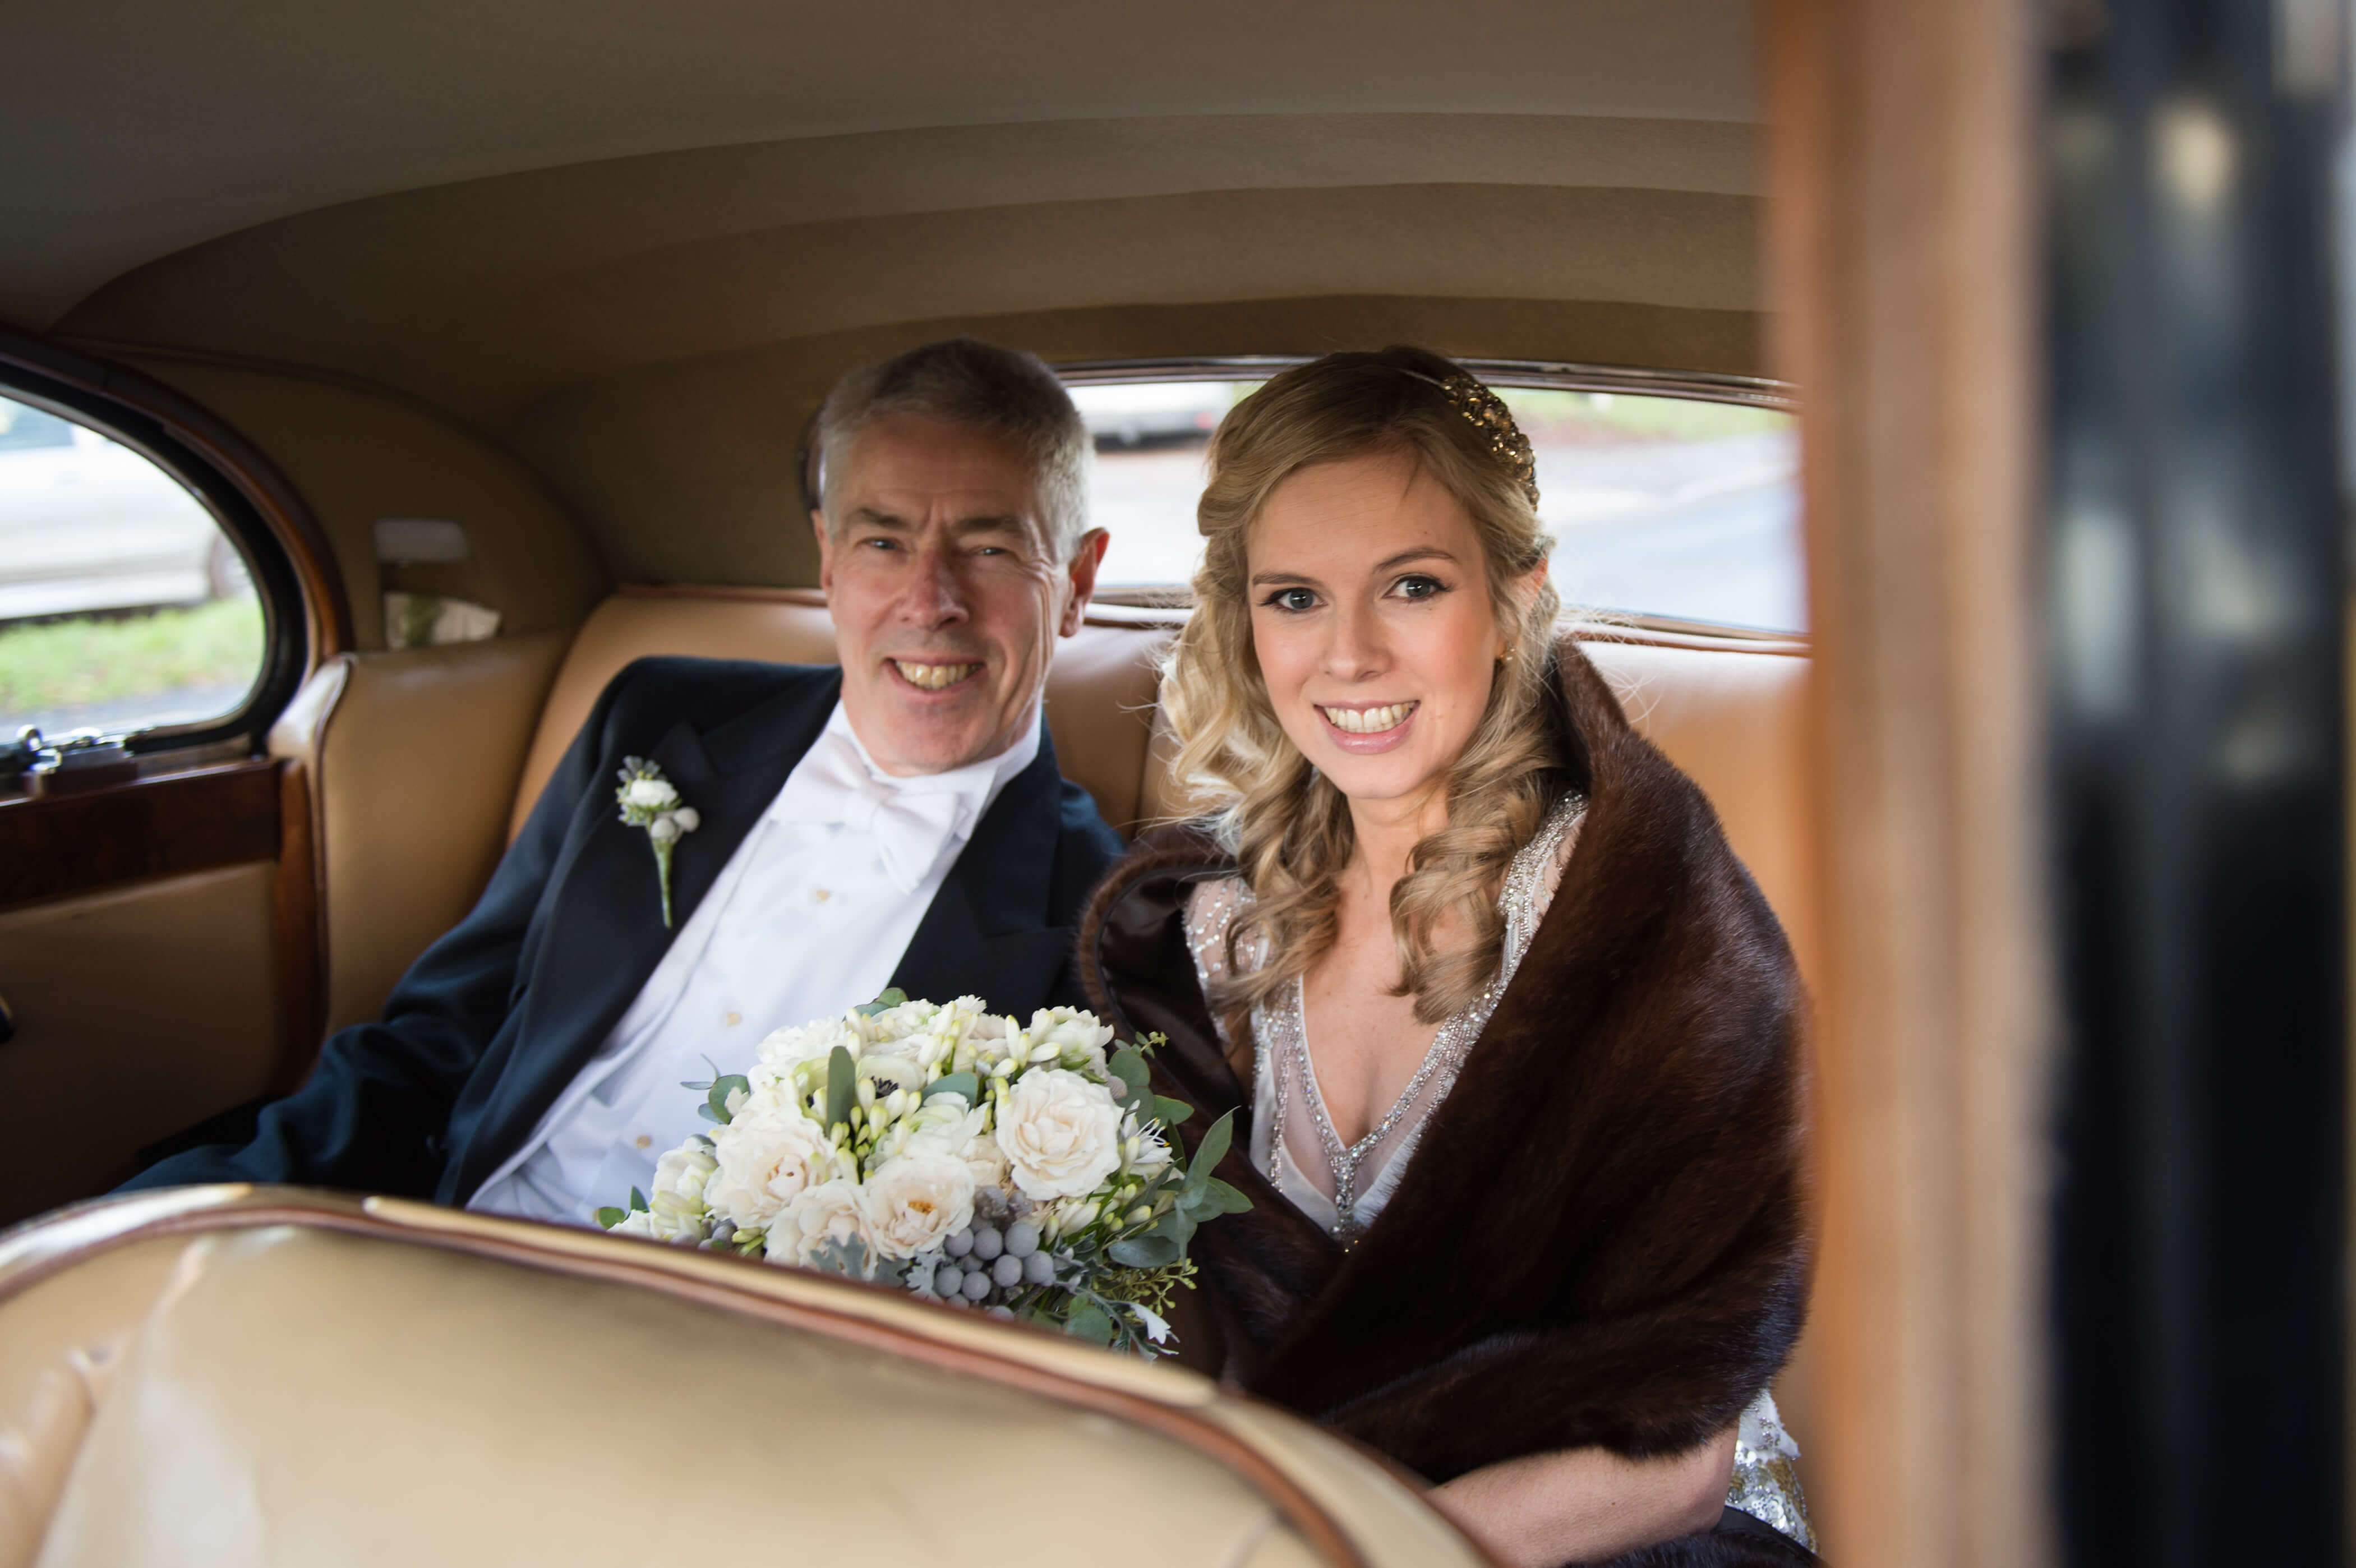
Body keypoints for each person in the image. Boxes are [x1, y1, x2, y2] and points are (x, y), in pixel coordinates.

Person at [1078, 349, 1814, 1567]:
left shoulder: (1639, 926)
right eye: (1295, 598)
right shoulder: (1215, 935)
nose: (1351, 655)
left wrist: (1330, 1553)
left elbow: (1680, 1460)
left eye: (1411, 586)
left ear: (1517, 597)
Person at [125, 338, 1124, 1223]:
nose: (929, 601)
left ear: (1076, 583)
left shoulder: (1097, 914)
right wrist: (178, 1216)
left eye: (990, 548)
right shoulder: (653, 718)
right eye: (883, 542)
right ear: (826, 559)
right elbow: (438, 1039)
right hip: (439, 1232)